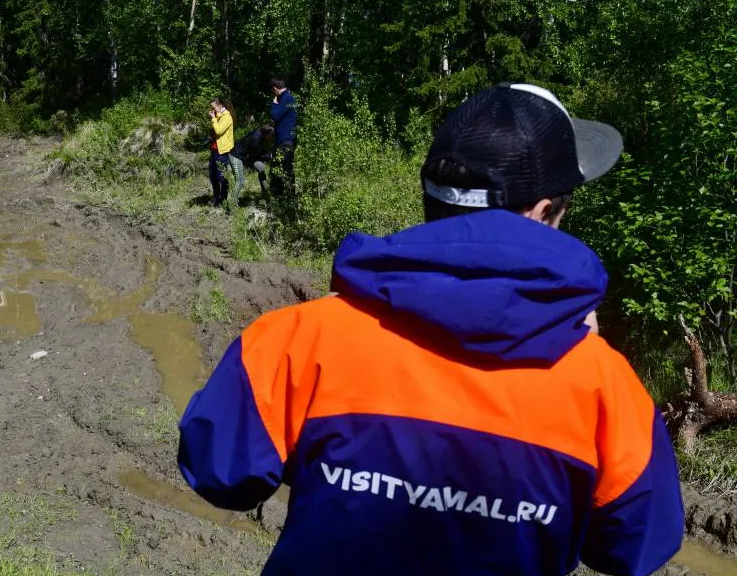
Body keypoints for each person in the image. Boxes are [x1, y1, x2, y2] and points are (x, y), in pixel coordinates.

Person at [177, 83, 684, 576]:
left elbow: (219, 469)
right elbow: (637, 544)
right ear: (544, 211)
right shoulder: (601, 383)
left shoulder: (300, 337)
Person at [207, 97, 238, 208]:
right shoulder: (219, 116)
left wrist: (213, 119)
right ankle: (216, 197)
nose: (212, 110)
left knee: (222, 176)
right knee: (212, 175)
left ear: (220, 106)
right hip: (215, 150)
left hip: (222, 151)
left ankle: (223, 199)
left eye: (214, 107)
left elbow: (219, 130)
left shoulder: (227, 117)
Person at [268, 77, 296, 195]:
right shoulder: (287, 97)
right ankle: (283, 196)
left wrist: (274, 104)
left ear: (275, 88)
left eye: (272, 91)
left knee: (283, 168)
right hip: (283, 140)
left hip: (285, 140)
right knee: (281, 167)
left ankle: (286, 197)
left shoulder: (286, 99)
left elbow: (274, 116)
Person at [230, 125, 275, 196]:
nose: (271, 138)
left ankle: (265, 193)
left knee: (261, 168)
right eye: (271, 136)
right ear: (267, 134)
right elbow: (257, 155)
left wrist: (268, 154)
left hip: (247, 156)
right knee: (240, 180)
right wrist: (269, 156)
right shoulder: (256, 138)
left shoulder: (261, 133)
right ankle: (232, 203)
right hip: (237, 155)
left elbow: (259, 151)